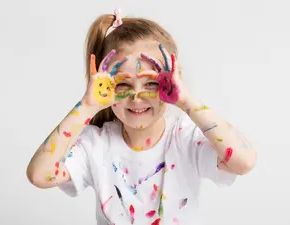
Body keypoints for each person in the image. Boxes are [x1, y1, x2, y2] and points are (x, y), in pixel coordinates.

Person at [26, 8, 257, 225]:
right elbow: (39, 175)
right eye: (123, 83)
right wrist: (87, 106)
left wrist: (186, 100)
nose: (136, 96)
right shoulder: (95, 144)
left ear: (173, 82)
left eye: (151, 83)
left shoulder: (185, 137)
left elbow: (244, 162)